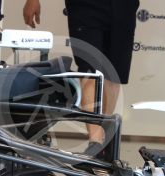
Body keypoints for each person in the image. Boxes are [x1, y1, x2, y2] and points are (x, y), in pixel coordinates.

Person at [23, 0, 139, 157]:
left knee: (114, 74)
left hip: (123, 6)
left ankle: (102, 138)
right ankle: (95, 141)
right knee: (89, 70)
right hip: (84, 6)